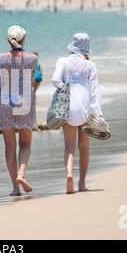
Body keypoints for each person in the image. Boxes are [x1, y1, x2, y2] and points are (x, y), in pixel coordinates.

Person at [0, 25, 38, 196]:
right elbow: (31, 82)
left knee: (10, 147)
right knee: (26, 144)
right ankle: (21, 174)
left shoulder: (1, 58)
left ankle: (15, 188)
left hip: (5, 105)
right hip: (25, 105)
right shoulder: (33, 59)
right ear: (24, 39)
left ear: (8, 40)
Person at [51, 33, 103, 194]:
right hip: (86, 108)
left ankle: (69, 175)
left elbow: (55, 80)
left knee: (69, 147)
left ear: (72, 47)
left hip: (68, 107)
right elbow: (94, 92)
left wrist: (64, 88)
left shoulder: (63, 61)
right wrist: (98, 114)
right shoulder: (90, 65)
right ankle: (81, 183)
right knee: (84, 146)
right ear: (86, 49)